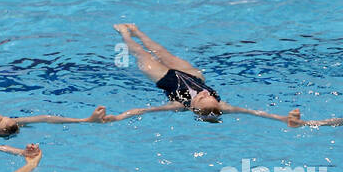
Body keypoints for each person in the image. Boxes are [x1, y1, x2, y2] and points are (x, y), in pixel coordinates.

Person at [103, 24, 296, 124]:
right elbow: (255, 113)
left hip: (163, 77)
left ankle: (125, 34)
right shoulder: (222, 106)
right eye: (209, 95)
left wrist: (118, 117)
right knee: (162, 52)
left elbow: (143, 111)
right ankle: (137, 30)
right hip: (192, 75)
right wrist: (282, 118)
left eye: (202, 98)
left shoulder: (179, 105)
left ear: (193, 107)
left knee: (141, 53)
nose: (206, 94)